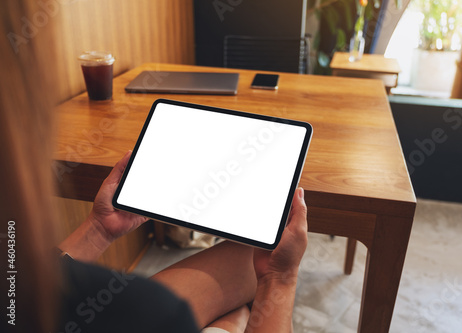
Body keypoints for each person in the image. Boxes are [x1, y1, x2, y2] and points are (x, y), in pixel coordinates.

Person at [0, 1, 309, 332]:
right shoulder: (153, 310)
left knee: (244, 258)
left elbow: (18, 285)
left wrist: (98, 228)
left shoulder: (16, 273)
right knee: (254, 278)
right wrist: (281, 278)